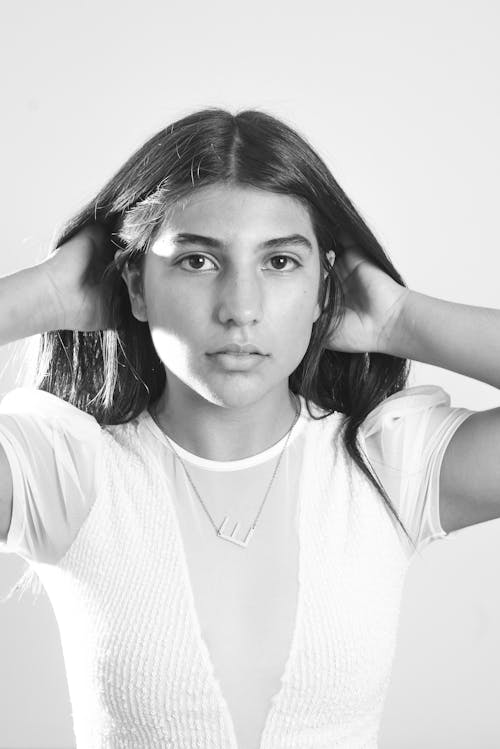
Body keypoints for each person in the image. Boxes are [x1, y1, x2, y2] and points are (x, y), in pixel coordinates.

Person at [0, 107, 498, 749]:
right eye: (197, 262)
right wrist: (45, 295)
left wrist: (401, 317)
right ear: (136, 283)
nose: (240, 309)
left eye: (281, 263)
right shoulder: (59, 472)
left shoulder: (388, 467)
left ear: (326, 289)